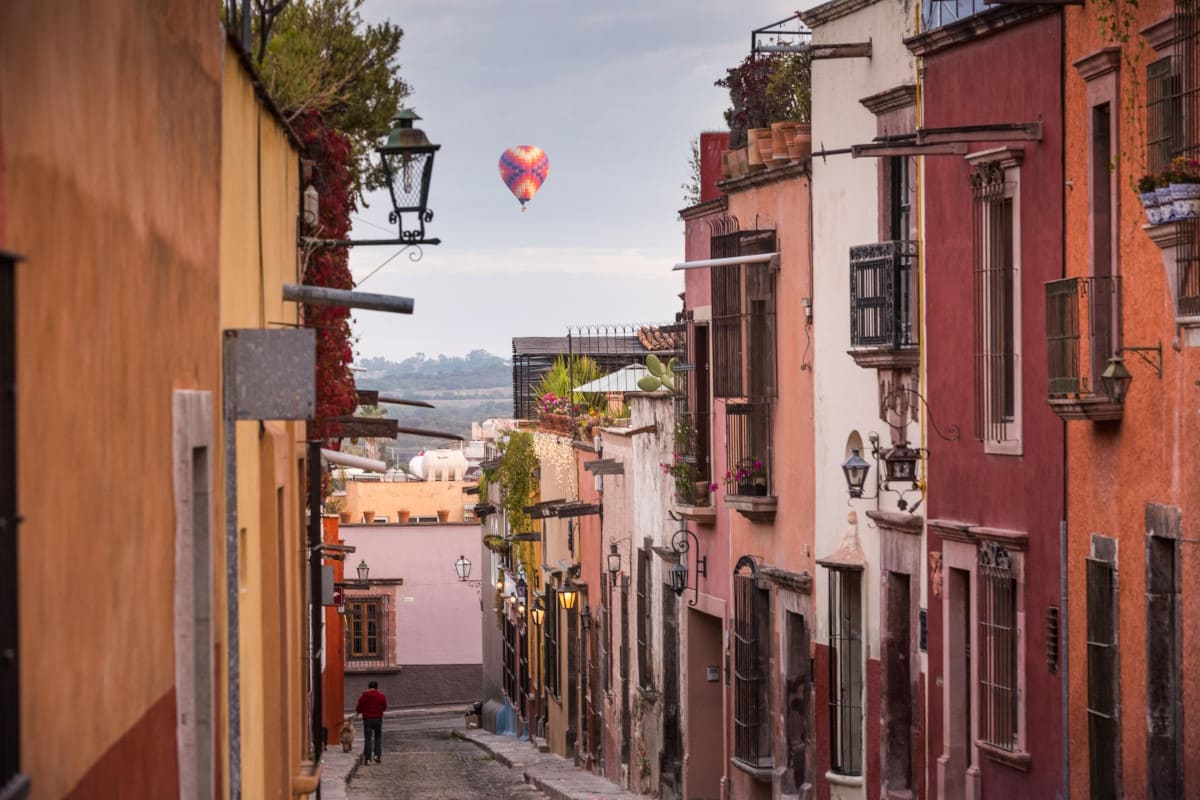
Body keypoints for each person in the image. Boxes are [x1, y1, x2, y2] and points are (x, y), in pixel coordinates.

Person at [355, 680, 387, 764]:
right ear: (376, 687)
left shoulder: (364, 696)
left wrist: (360, 711)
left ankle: (368, 759)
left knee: (368, 738)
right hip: (378, 719)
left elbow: (359, 708)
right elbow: (384, 707)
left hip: (367, 720)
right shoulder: (381, 696)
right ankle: (377, 755)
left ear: (368, 687)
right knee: (377, 737)